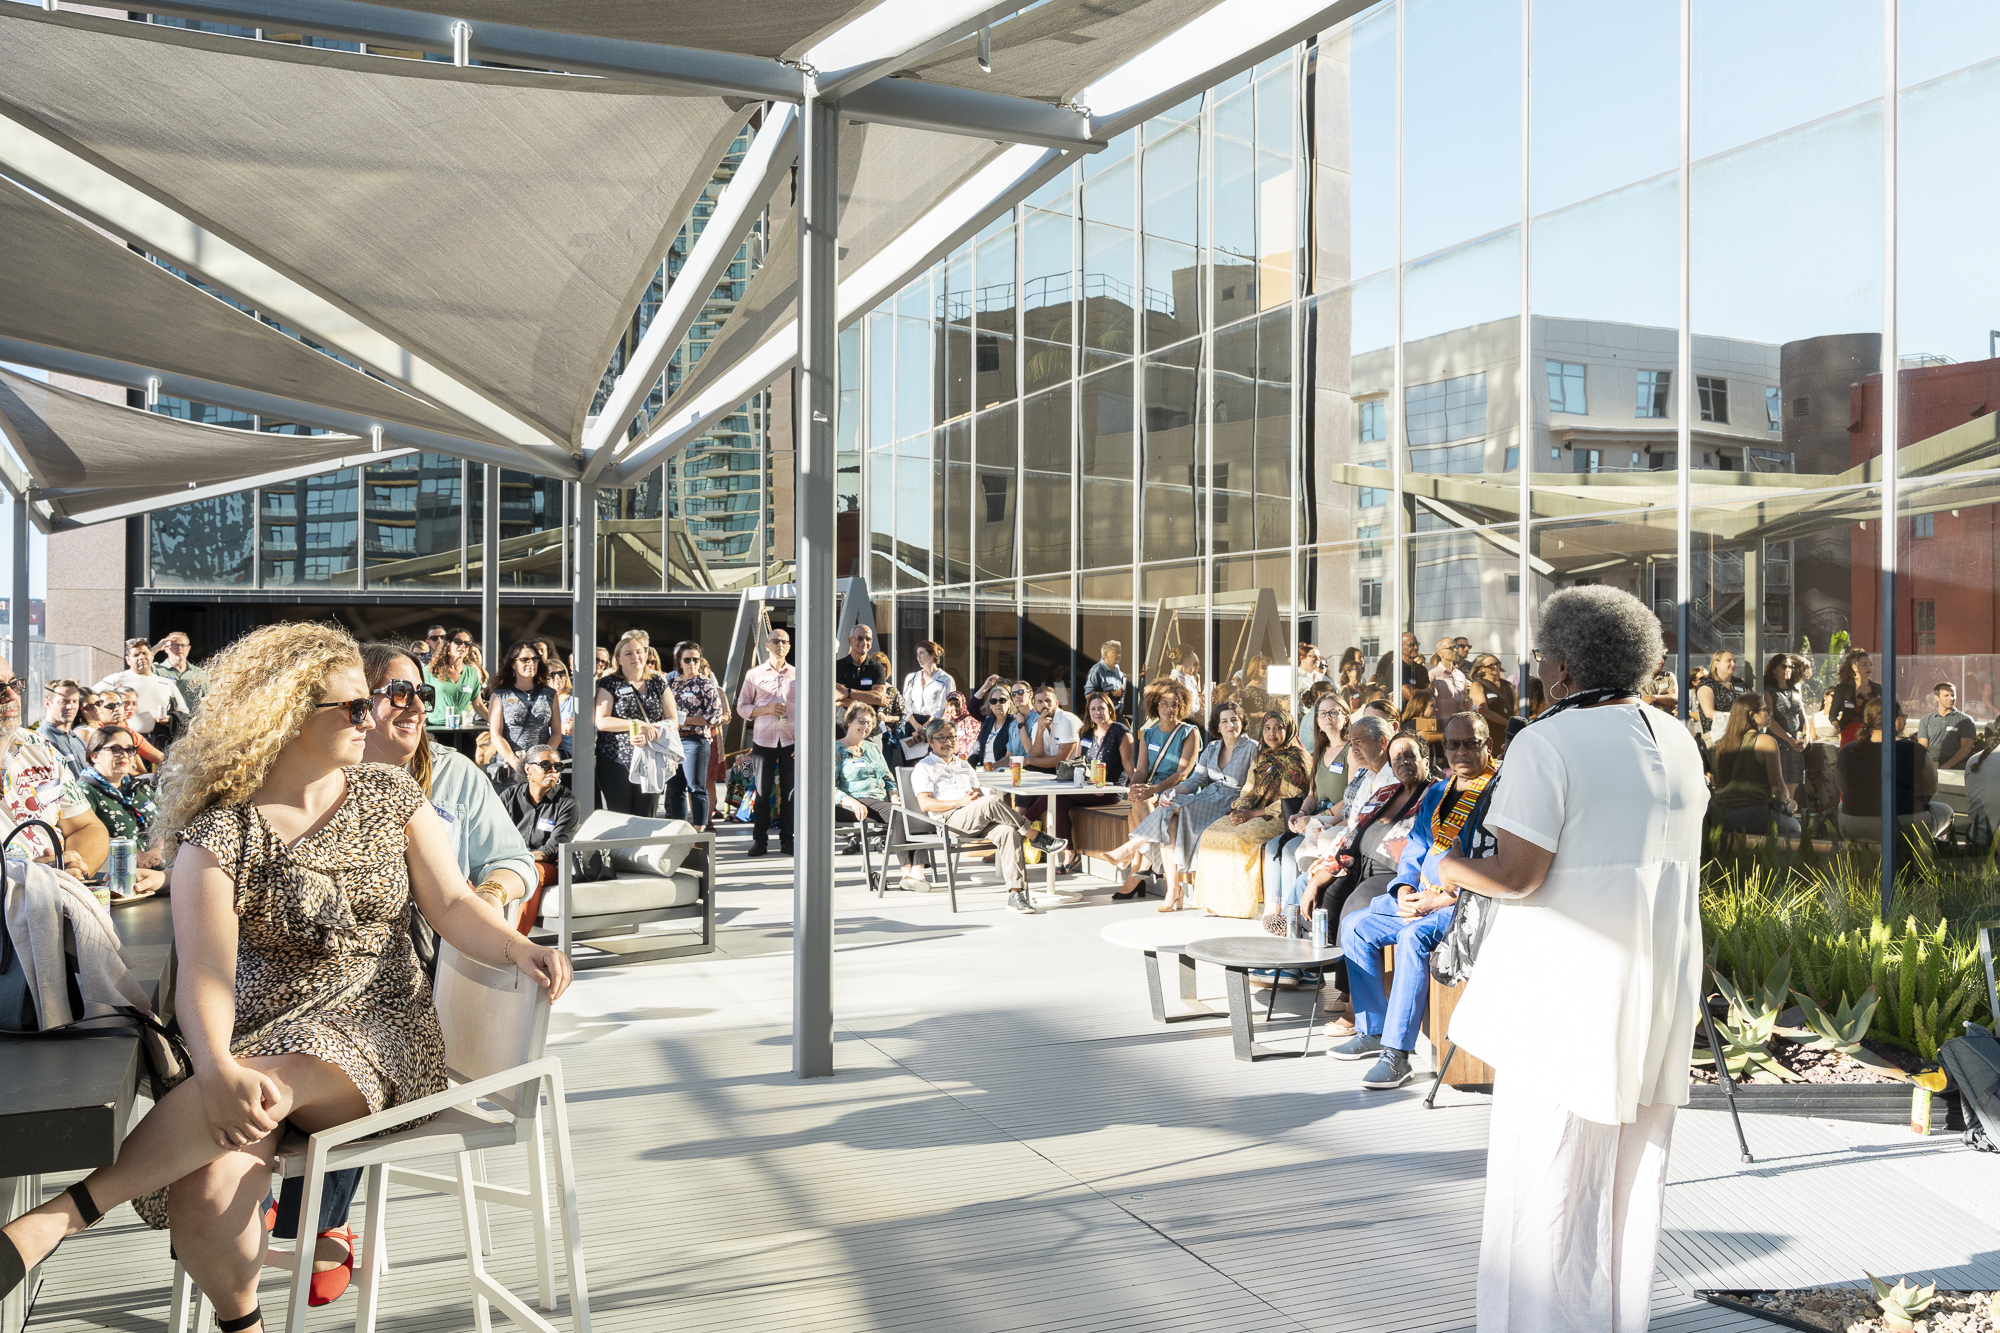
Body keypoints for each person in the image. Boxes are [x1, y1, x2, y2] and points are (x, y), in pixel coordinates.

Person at [0, 623, 572, 1333]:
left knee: (271, 1075)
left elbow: (453, 903)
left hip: (382, 1028)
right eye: (355, 707)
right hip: (255, 1041)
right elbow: (205, 976)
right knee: (207, 1189)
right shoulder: (220, 835)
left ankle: (64, 1212)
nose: (374, 717)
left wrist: (517, 945)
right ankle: (244, 1322)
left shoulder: (392, 796)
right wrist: (214, 1066)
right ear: (287, 715)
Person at [1435, 586, 1706, 1333]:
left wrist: (1446, 867)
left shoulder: (1545, 742)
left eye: (1541, 656)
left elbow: (1519, 875)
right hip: (1655, 987)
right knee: (1632, 1176)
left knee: (1549, 1176)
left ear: (1561, 667)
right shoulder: (1679, 739)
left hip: (1568, 993)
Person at [1334, 711, 1497, 1089]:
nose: (1460, 752)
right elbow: (1415, 849)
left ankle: (1397, 1054)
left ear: (1488, 744)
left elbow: (1497, 858)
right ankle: (1372, 1028)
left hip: (1463, 904)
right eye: (1452, 744)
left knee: (1412, 938)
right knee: (1355, 925)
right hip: (1421, 894)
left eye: (1470, 743)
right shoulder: (1439, 792)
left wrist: (1444, 898)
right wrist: (1405, 888)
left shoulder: (1498, 791)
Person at [1278, 733, 1428, 942]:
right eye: (1397, 757)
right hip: (1357, 865)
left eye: (1410, 756)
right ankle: (1312, 969)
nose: (1403, 761)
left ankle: (1341, 973)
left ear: (1425, 761)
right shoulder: (1384, 793)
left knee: (1352, 910)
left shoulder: (1434, 793)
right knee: (1320, 897)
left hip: (1393, 873)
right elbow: (1352, 834)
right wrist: (1317, 881)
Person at [1105, 700, 1256, 907]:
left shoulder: (1252, 748)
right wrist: (1168, 793)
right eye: (1225, 721)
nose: (1231, 725)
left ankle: (1130, 848)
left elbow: (1254, 786)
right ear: (1217, 727)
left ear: (1242, 722)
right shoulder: (1212, 747)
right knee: (1170, 820)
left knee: (1172, 808)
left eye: (1235, 720)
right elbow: (1195, 780)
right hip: (1208, 797)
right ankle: (1173, 890)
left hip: (1230, 802)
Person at [909, 719, 1065, 914]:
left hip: (976, 817)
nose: (947, 742)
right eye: (941, 738)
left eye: (951, 737)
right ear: (930, 742)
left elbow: (978, 796)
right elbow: (925, 804)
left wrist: (974, 801)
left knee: (1008, 831)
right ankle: (1035, 836)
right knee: (991, 802)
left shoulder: (965, 765)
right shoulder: (924, 767)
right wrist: (960, 803)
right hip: (949, 821)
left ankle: (1016, 894)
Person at [1194, 710, 1312, 918]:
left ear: (1289, 729)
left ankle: (1237, 907)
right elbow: (1248, 788)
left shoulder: (1298, 759)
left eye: (1278, 727)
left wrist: (1253, 814)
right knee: (1211, 833)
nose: (1272, 733)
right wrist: (1241, 808)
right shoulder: (1263, 755)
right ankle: (1218, 904)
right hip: (1254, 812)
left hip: (1280, 817)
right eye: (1267, 728)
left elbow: (1295, 800)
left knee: (1237, 838)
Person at [0, 656, 106, 878]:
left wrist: (71, 872)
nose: (11, 695)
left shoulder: (39, 748)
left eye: (14, 684)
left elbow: (87, 827)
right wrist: (29, 878)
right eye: (0, 689)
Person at [1107, 680, 1202, 900]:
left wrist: (1152, 790)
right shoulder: (1147, 734)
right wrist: (1135, 787)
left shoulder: (1190, 732)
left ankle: (1142, 865)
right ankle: (1146, 864)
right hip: (1153, 788)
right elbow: (1141, 770)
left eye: (1175, 704)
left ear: (1182, 706)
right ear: (1155, 706)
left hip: (1178, 789)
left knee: (1137, 809)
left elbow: (1183, 774)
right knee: (1137, 803)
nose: (1170, 709)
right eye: (1164, 703)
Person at [832, 704, 928, 884]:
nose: (866, 727)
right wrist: (852, 802)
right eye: (861, 722)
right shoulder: (836, 749)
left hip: (879, 802)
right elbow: (829, 787)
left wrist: (893, 795)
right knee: (899, 814)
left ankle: (918, 872)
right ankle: (907, 873)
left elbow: (887, 776)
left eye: (870, 723)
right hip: (851, 803)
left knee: (912, 811)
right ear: (850, 721)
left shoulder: (873, 748)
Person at [1837, 697, 1952, 842]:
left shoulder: (1847, 750)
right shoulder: (1915, 749)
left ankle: (1860, 859)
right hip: (1906, 823)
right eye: (1902, 716)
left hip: (1854, 823)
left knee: (1842, 806)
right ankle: (1928, 860)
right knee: (1946, 811)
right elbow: (1931, 788)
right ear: (1895, 720)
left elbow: (1843, 786)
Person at [595, 629, 679, 820]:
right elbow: (602, 721)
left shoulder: (658, 681)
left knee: (646, 814)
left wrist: (654, 731)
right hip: (617, 761)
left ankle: (643, 850)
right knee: (620, 815)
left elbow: (672, 719)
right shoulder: (609, 683)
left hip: (651, 757)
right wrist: (637, 724)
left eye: (639, 652)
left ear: (647, 654)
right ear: (618, 659)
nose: (636, 657)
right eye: (629, 653)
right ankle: (619, 851)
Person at [75, 725, 167, 894]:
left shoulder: (141, 787)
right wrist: (134, 855)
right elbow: (80, 837)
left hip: (159, 880)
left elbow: (165, 822)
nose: (124, 754)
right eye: (116, 750)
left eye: (130, 749)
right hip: (118, 887)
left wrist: (157, 850)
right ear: (95, 756)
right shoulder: (84, 791)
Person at [1048, 691, 1126, 872]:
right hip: (1086, 788)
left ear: (1109, 710)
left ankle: (1022, 827)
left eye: (1101, 708)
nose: (1097, 712)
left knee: (1054, 799)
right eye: (1093, 709)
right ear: (1088, 712)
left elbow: (1129, 766)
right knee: (1056, 800)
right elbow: (1078, 766)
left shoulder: (1120, 731)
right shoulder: (1085, 733)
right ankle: (1069, 852)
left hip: (1109, 791)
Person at [736, 624, 797, 856]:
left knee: (790, 794)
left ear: (789, 647)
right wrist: (767, 709)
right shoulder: (754, 675)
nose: (780, 645)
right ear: (767, 646)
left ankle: (787, 840)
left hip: (791, 742)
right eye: (776, 641)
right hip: (764, 741)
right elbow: (742, 707)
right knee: (762, 793)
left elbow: (807, 710)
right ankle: (760, 840)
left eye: (784, 641)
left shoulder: (798, 674)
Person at [1709, 693, 1802, 837]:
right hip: (1753, 814)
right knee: (1796, 828)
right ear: (1752, 715)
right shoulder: (1766, 741)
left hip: (1721, 814)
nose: (1770, 713)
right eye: (1765, 709)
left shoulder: (1723, 743)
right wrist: (1789, 803)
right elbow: (1777, 786)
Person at [499, 744, 577, 897]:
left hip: (546, 864)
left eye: (558, 766)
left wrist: (522, 858)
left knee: (526, 874)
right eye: (546, 765)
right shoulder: (509, 797)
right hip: (510, 860)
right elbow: (494, 834)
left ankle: (514, 922)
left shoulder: (568, 803)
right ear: (528, 769)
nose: (553, 770)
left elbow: (554, 848)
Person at [663, 641, 725, 826]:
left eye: (696, 660)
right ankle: (678, 832)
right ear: (679, 661)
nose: (692, 663)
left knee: (696, 788)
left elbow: (715, 716)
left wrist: (685, 720)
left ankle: (700, 831)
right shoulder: (670, 683)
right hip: (673, 740)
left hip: (695, 740)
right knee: (675, 789)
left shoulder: (705, 683)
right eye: (687, 659)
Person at [94, 637, 189, 742]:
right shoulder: (117, 679)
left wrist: (170, 720)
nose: (141, 657)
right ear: (128, 660)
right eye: (135, 655)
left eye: (145, 653)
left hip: (161, 741)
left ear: (152, 655)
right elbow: (90, 697)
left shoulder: (167, 683)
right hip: (127, 741)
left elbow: (184, 712)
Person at [487, 640, 557, 781]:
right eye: (525, 660)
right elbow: (495, 734)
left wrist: (544, 760)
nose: (530, 663)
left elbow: (556, 732)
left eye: (534, 659)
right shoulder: (500, 695)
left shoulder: (549, 694)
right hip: (508, 766)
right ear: (513, 663)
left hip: (540, 769)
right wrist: (515, 762)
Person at [897, 640, 955, 767]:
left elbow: (943, 710)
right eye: (917, 654)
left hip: (934, 725)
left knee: (931, 764)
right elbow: (906, 705)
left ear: (932, 655)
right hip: (912, 725)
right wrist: (917, 727)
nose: (918, 657)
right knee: (910, 765)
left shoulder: (945, 679)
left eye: (922, 653)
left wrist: (924, 729)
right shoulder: (911, 678)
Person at [1761, 654, 1809, 803]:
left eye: (1790, 666)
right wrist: (1788, 739)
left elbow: (1802, 717)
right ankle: (1778, 820)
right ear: (1774, 669)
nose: (1788, 669)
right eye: (1784, 666)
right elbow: (1770, 720)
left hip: (1796, 745)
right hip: (1779, 743)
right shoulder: (1768, 691)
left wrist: (1805, 738)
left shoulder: (1794, 690)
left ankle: (1791, 817)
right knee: (1778, 786)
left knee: (1793, 785)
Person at [423, 631, 482, 726]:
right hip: (437, 728)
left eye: (467, 643)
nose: (462, 646)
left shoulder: (471, 673)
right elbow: (419, 701)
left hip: (464, 728)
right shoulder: (429, 671)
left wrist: (498, 723)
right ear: (447, 645)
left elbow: (478, 704)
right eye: (458, 642)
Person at [1916, 681, 1977, 770]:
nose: (1951, 698)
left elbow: (1966, 748)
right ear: (1937, 697)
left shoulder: (1966, 720)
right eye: (1946, 695)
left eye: (1953, 695)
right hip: (1931, 766)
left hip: (1956, 767)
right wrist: (1930, 766)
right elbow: (1922, 747)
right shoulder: (1925, 720)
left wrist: (1948, 765)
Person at [1826, 648, 1880, 745]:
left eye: (1871, 665)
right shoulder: (1843, 688)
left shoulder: (1877, 688)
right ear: (1854, 667)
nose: (1869, 668)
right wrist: (1836, 724)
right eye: (1864, 665)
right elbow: (1833, 714)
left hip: (1872, 731)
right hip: (1850, 730)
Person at [833, 623, 891, 714]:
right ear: (850, 641)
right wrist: (870, 699)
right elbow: (840, 700)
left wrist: (849, 692)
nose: (864, 642)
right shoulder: (838, 666)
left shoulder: (877, 667)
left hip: (870, 725)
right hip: (845, 725)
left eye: (868, 639)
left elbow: (879, 697)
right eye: (860, 638)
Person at [1467, 654, 1518, 756]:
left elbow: (1515, 706)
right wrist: (1506, 722)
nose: (1495, 667)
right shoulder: (1478, 685)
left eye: (1497, 663)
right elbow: (1482, 710)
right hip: (1491, 729)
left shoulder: (1508, 685)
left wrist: (1515, 721)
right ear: (1482, 669)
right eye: (1491, 665)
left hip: (1508, 730)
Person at [36, 677, 88, 774]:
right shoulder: (41, 740)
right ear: (47, 703)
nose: (70, 707)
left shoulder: (78, 741)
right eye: (64, 701)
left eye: (75, 701)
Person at [1695, 648, 1741, 747]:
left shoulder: (1739, 683)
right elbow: (1708, 712)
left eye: (1734, 661)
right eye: (1729, 661)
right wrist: (1739, 718)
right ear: (1716, 663)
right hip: (1718, 736)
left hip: (1739, 734)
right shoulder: (1708, 683)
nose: (1733, 664)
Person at [152, 631, 209, 711]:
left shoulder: (198, 672)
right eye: (176, 645)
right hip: (168, 720)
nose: (180, 649)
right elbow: (141, 662)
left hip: (192, 721)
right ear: (166, 649)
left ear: (189, 648)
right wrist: (157, 647)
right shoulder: (157, 670)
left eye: (183, 645)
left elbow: (210, 698)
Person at [1428, 637, 1472, 718]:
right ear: (1440, 653)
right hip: (1442, 724)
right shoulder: (1433, 675)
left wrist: (1468, 703)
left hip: (1459, 722)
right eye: (1451, 648)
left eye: (1456, 647)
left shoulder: (1460, 674)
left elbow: (1465, 699)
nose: (1455, 650)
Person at [1084, 641, 1128, 720]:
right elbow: (1088, 695)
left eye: (1120, 653)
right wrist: (1112, 694)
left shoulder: (1116, 667)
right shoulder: (1097, 670)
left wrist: (1139, 675)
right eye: (1116, 653)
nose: (1119, 655)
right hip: (1102, 718)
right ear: (1106, 654)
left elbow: (1124, 677)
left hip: (1116, 716)